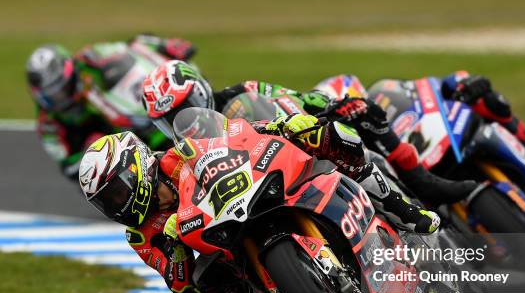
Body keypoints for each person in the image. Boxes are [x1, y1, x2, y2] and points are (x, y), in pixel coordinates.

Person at [78, 107, 440, 293]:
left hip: (254, 192)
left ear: (136, 167)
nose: (117, 206)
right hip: (227, 247)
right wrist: (176, 254)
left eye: (117, 192)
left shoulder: (179, 154)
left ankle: (396, 204)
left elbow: (235, 138)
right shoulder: (142, 234)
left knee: (323, 133)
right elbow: (186, 292)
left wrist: (277, 128)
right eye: (106, 203)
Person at [142, 60, 477, 206]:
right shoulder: (185, 152)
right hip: (257, 189)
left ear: (200, 94)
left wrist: (333, 106)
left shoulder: (243, 92)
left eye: (179, 111)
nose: (178, 124)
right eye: (166, 120)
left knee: (364, 112)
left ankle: (420, 180)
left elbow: (297, 99)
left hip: (296, 149)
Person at [26, 35, 196, 181]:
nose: (62, 97)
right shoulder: (48, 124)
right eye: (54, 95)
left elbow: (131, 46)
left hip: (129, 114)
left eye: (63, 88)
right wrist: (91, 152)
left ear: (70, 72)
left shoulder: (88, 58)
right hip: (108, 148)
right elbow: (68, 167)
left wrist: (163, 45)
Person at [439, 72, 525, 198]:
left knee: (491, 101)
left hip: (455, 133)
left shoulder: (421, 87)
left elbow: (451, 80)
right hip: (429, 164)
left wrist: (465, 82)